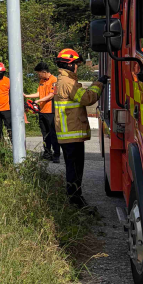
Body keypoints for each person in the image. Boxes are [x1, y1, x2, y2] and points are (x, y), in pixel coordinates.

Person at [53, 48, 106, 208]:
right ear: (69, 65)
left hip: (69, 133)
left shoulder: (63, 80)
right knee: (75, 169)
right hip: (71, 134)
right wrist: (99, 84)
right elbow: (87, 98)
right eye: (76, 64)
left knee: (73, 168)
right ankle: (75, 201)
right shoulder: (68, 82)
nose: (77, 67)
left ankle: (75, 197)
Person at [25, 62, 60, 163]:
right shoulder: (41, 81)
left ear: (44, 72)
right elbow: (39, 93)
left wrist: (39, 101)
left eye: (39, 73)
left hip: (51, 112)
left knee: (53, 134)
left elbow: (51, 95)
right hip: (42, 111)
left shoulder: (54, 80)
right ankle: (47, 153)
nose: (38, 75)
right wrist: (27, 96)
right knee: (45, 134)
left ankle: (56, 154)